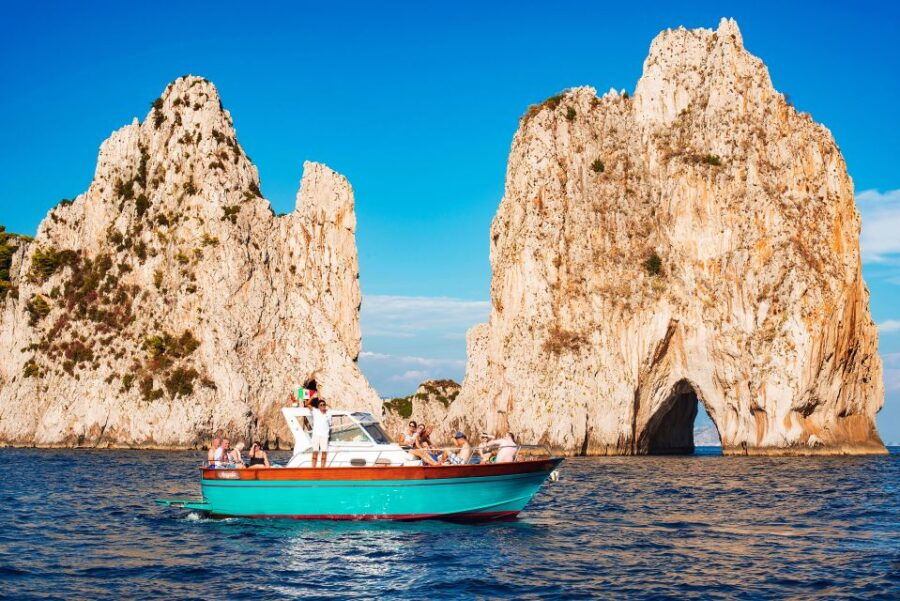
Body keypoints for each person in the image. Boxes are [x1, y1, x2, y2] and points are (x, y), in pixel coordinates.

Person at [310, 400, 332, 468]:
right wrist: (312, 397)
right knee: (315, 451)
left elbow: (330, 425)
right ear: (318, 406)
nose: (322, 406)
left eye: (324, 404)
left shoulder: (328, 414)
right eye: (321, 405)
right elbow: (308, 404)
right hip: (316, 435)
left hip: (325, 435)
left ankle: (322, 468)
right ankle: (313, 468)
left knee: (324, 452)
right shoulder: (315, 411)